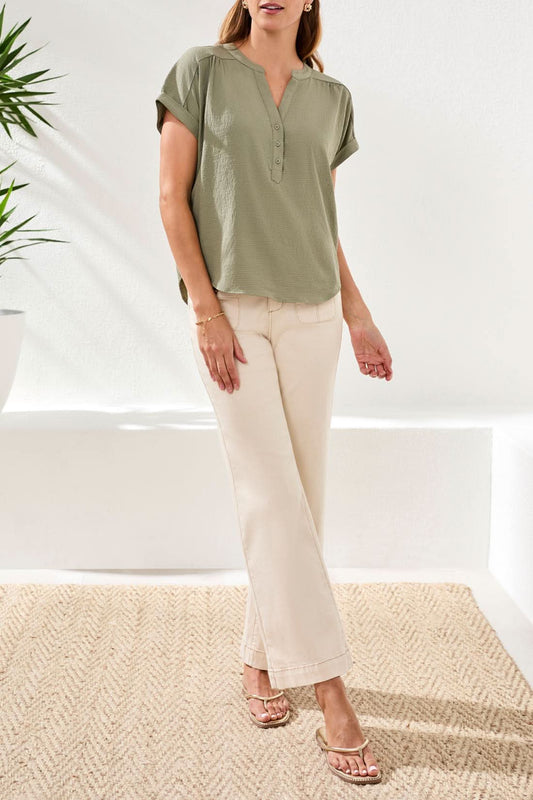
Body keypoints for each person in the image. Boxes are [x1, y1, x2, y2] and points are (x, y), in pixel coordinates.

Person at [156, 0, 392, 785]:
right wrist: (204, 310)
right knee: (269, 494)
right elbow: (170, 195)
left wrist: (357, 314)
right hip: (233, 311)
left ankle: (261, 660)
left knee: (301, 497)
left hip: (314, 314)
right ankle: (330, 691)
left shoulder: (331, 97)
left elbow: (320, 217)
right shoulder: (200, 72)